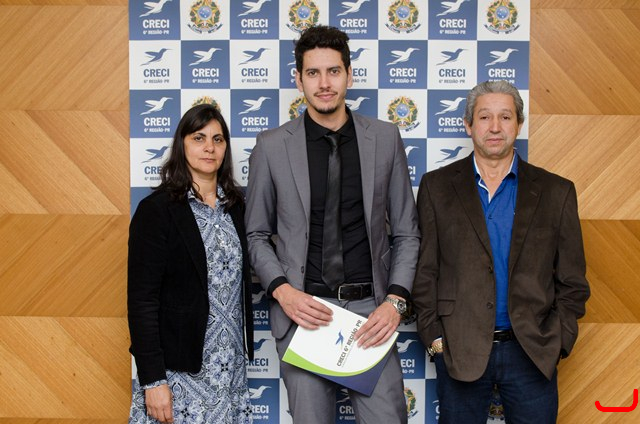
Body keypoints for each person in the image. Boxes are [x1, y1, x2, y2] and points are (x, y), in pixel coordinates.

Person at [245, 25, 419, 424]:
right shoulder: (271, 146)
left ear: (349, 75)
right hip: (304, 311)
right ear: (299, 79)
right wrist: (284, 292)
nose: (324, 84)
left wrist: (394, 303)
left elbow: (407, 232)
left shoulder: (385, 138)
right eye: (313, 73)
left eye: (333, 71)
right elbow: (255, 235)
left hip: (370, 312)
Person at [411, 80, 590, 423]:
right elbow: (425, 273)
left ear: (518, 124)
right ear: (468, 125)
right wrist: (435, 340)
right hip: (459, 350)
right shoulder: (436, 187)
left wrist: (558, 341)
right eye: (484, 117)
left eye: (505, 117)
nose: (495, 127)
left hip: (532, 353)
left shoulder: (557, 192)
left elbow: (572, 282)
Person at [127, 104, 254, 424]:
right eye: (199, 138)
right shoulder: (157, 211)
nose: (209, 147)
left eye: (218, 139)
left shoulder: (237, 207)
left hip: (229, 369)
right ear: (181, 145)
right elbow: (142, 300)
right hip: (179, 372)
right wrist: (153, 380)